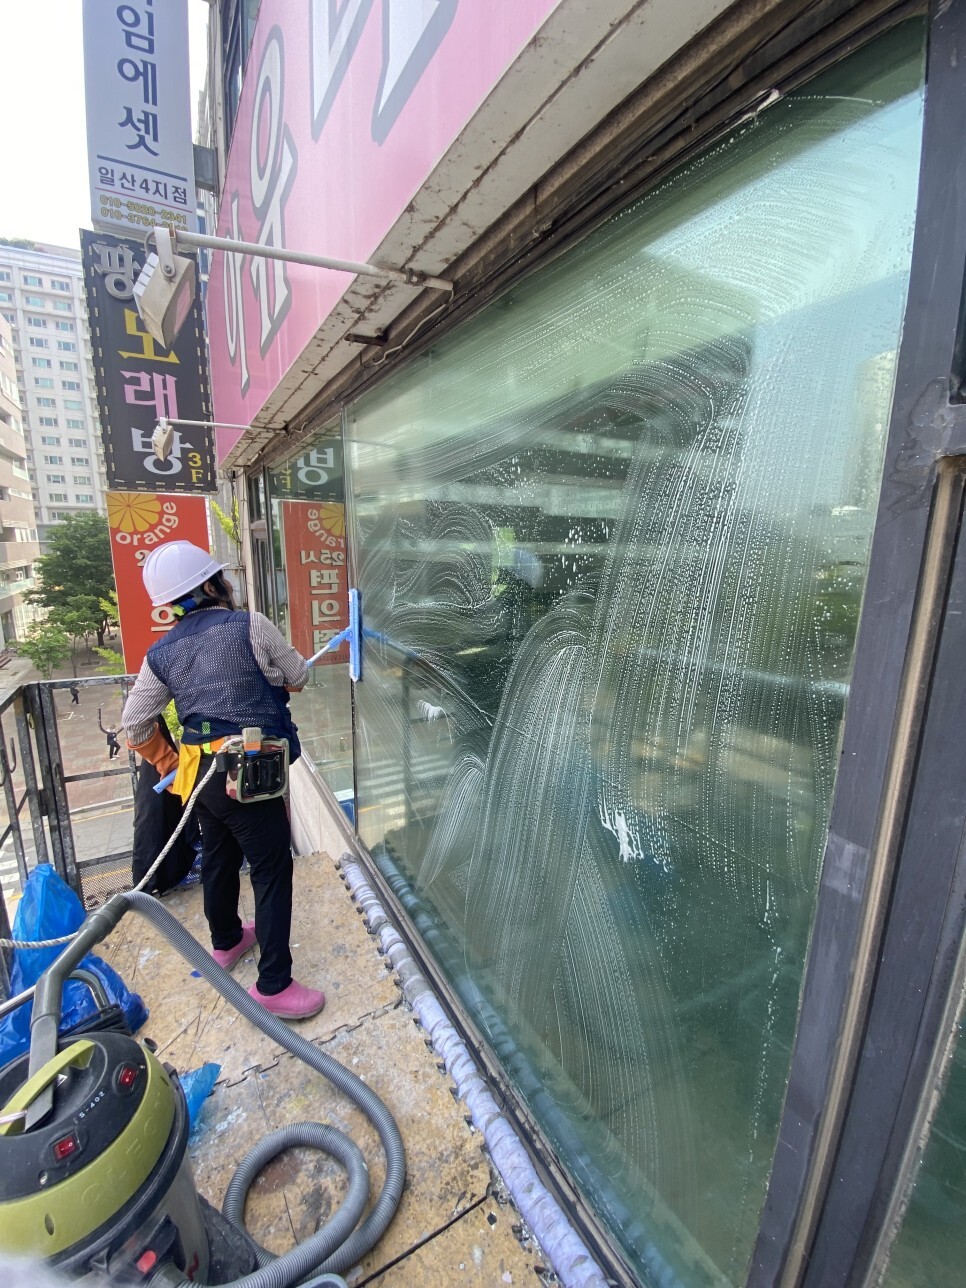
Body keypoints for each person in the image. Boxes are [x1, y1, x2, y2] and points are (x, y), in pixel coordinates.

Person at [121, 541, 324, 1021]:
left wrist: (167, 761)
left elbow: (134, 723)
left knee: (219, 853)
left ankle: (227, 940)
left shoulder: (160, 653)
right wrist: (271, 676)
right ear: (213, 585)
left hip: (199, 774)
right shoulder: (250, 625)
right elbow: (298, 675)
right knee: (271, 868)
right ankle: (273, 985)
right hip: (247, 770)